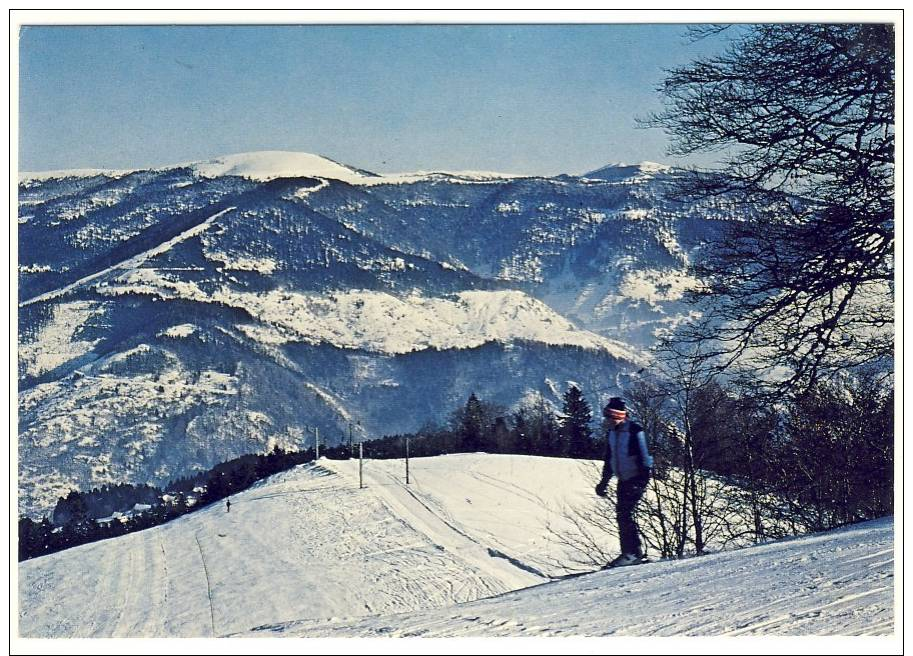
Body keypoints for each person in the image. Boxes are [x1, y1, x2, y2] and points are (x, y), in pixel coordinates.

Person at [595, 397, 653, 567]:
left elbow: (645, 458)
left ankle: (633, 553)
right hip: (623, 479)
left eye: (608, 418)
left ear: (617, 417)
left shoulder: (635, 431)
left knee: (625, 514)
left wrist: (641, 481)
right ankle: (629, 553)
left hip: (635, 479)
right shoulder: (613, 433)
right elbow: (610, 458)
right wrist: (604, 482)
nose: (606, 421)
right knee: (622, 515)